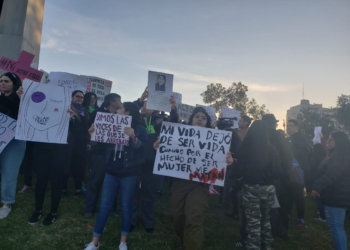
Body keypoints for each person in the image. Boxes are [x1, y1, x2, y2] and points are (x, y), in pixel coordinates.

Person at [153, 107, 233, 250]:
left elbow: (225, 159)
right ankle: (186, 242)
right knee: (176, 215)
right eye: (197, 116)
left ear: (207, 122)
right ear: (191, 120)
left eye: (204, 117)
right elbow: (166, 151)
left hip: (199, 185)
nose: (200, 119)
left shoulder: (216, 139)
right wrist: (160, 145)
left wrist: (229, 160)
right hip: (180, 183)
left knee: (194, 219)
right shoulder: (179, 136)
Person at [84, 102, 148, 250]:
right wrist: (92, 133)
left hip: (129, 173)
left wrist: (133, 136)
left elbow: (142, 147)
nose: (116, 110)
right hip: (111, 172)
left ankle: (123, 242)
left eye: (120, 108)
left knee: (126, 207)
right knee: (104, 206)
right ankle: (94, 242)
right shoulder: (109, 124)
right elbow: (96, 144)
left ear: (127, 113)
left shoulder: (139, 128)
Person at [131, 89, 178, 233]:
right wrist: (141, 99)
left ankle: (147, 221)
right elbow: (130, 109)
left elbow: (174, 123)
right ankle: (131, 220)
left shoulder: (159, 120)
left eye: (148, 105)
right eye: (143, 105)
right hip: (135, 161)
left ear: (155, 108)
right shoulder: (135, 119)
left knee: (149, 194)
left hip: (153, 162)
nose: (144, 107)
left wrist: (173, 108)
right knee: (134, 193)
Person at [233, 120, 281, 250]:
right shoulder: (272, 149)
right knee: (266, 218)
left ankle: (253, 246)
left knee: (253, 221)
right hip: (268, 189)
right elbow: (277, 171)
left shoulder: (243, 148)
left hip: (250, 189)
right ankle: (267, 245)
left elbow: (237, 170)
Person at [84, 93, 122, 218]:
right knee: (95, 181)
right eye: (119, 100)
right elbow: (89, 130)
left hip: (114, 154)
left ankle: (111, 209)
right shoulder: (97, 113)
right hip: (99, 153)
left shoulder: (121, 116)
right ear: (112, 101)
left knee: (113, 182)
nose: (121, 103)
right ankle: (89, 209)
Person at [311, 131, 350, 250]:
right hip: (340, 194)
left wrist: (317, 186)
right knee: (337, 225)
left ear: (339, 142)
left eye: (330, 140)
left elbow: (331, 174)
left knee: (336, 226)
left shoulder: (338, 157)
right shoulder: (340, 154)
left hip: (336, 196)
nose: (327, 142)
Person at [262, 114, 294, 241]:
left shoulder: (262, 136)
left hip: (264, 176)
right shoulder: (280, 137)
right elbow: (287, 156)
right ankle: (280, 232)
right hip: (279, 176)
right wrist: (284, 171)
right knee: (278, 206)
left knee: (268, 207)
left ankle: (272, 232)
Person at [0, 72, 26, 219]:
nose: (2, 83)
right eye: (1, 81)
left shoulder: (22, 99)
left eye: (6, 81)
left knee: (9, 172)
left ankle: (7, 203)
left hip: (15, 141)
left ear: (14, 84)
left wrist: (22, 96)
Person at [62, 90, 90, 198]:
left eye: (82, 97)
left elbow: (86, 129)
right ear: (72, 97)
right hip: (68, 142)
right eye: (77, 96)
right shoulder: (67, 109)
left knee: (79, 165)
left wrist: (87, 141)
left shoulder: (85, 112)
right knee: (66, 165)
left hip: (81, 142)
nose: (80, 98)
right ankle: (63, 188)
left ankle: (78, 189)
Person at [287, 119, 310, 227]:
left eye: (291, 126)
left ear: (297, 126)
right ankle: (287, 213)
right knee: (289, 193)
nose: (288, 128)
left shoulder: (300, 138)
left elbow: (306, 151)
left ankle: (301, 219)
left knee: (298, 195)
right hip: (289, 169)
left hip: (297, 170)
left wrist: (291, 153)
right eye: (287, 125)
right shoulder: (289, 138)